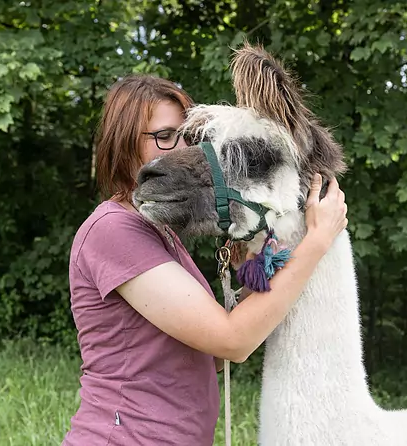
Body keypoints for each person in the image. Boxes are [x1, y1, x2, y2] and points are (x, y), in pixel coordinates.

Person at [61, 74, 348, 446]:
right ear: (123, 142)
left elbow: (208, 354)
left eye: (187, 138)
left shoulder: (161, 236)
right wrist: (316, 244)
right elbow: (231, 341)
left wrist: (264, 255)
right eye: (164, 137)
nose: (179, 150)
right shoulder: (114, 231)